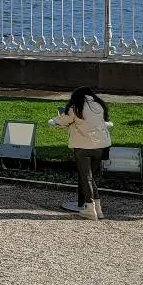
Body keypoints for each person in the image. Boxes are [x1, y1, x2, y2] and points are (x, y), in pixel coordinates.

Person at [49, 87, 112, 219]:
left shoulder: (75, 107)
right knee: (90, 177)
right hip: (100, 146)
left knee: (86, 177)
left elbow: (64, 120)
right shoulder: (99, 106)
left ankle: (90, 208)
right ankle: (98, 208)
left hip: (82, 147)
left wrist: (53, 121)